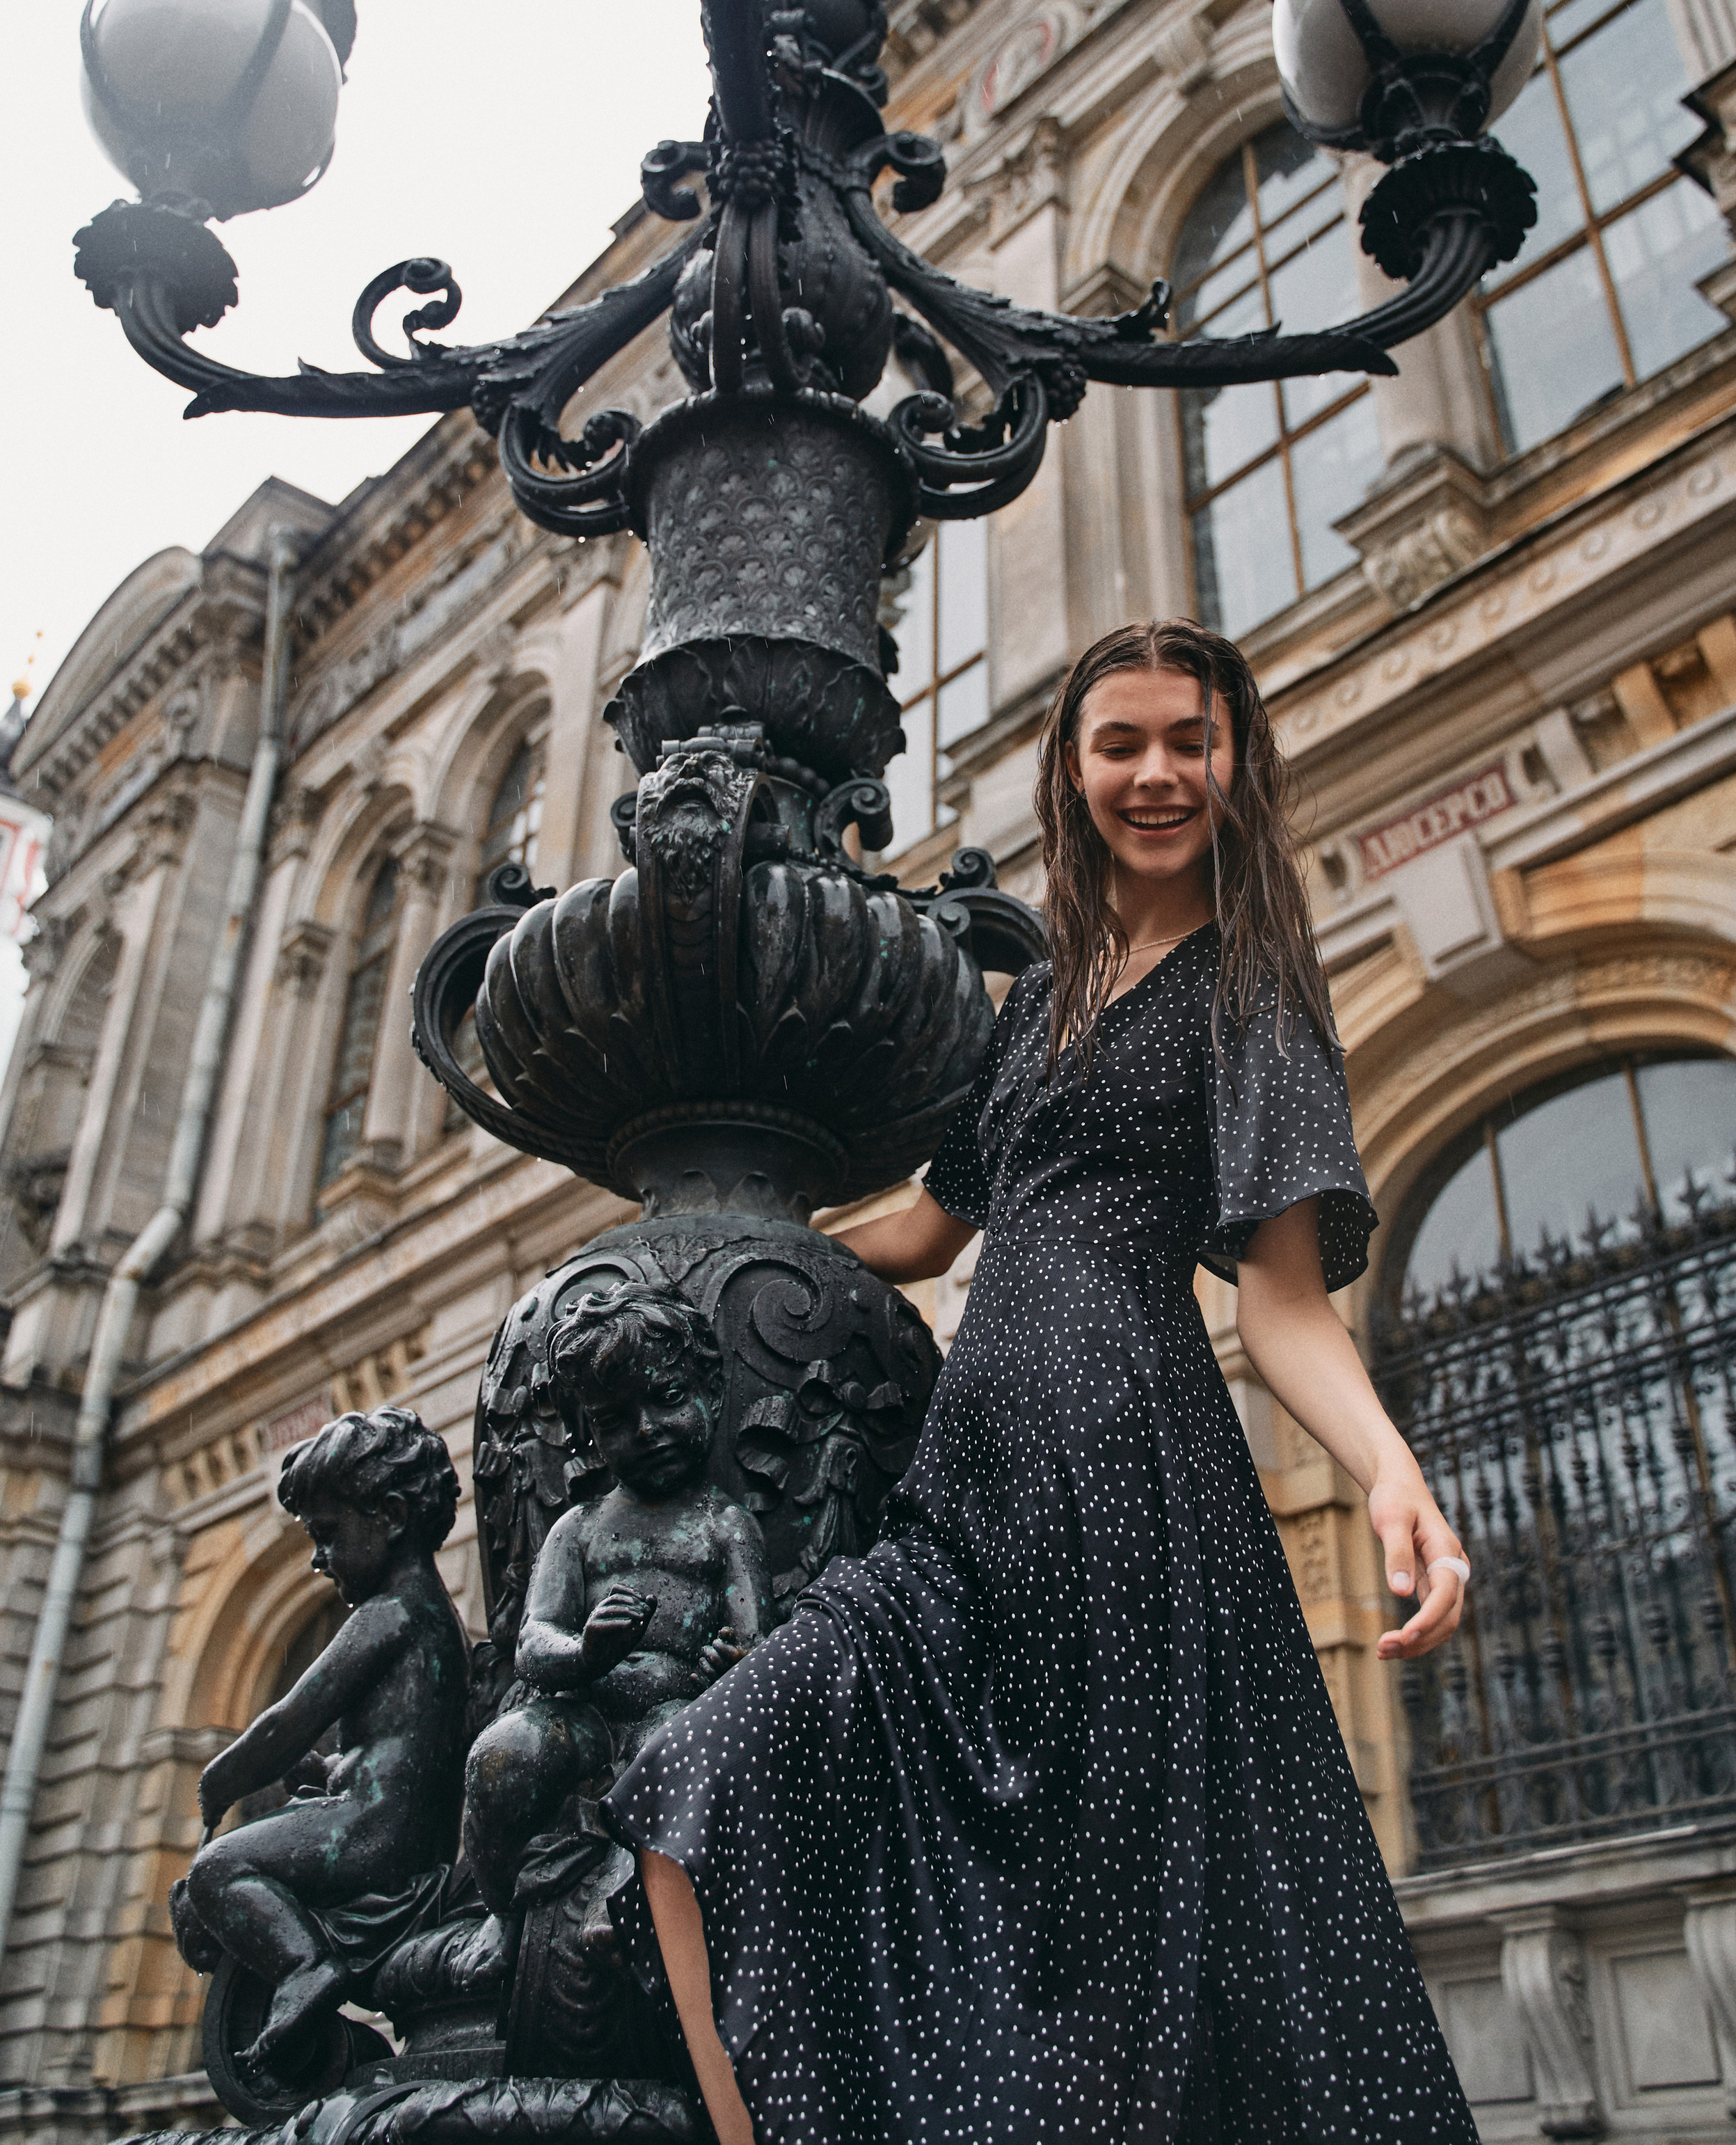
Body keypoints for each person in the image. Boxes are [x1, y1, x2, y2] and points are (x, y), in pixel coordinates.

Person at [603, 619, 1479, 2144]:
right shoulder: (1047, 1001)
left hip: (1127, 1491)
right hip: (966, 1498)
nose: (1153, 774)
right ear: (1070, 774)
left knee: (1117, 1969)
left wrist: (1387, 1468)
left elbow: (1279, 1303)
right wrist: (740, 1237)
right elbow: (924, 1228)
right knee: (699, 1781)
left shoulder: (1249, 990)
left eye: (1184, 743)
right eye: (1117, 744)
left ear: (1232, 764)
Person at [176, 1405, 469, 2071]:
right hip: (389, 1823)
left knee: (218, 1869)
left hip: (377, 1831)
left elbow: (286, 1720)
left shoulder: (389, 1613)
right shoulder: (428, 1611)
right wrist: (329, 1770)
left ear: (391, 1517)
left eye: (328, 1534)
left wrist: (224, 1777)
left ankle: (306, 1967)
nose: (317, 1559)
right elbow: (402, 1745)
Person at [464, 1285, 771, 1916]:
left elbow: (758, 1643)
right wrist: (585, 1651)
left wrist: (731, 1664)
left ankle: (621, 1903)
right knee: (499, 1758)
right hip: (586, 1717)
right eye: (613, 1420)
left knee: (672, 1755)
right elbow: (533, 1641)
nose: (647, 1430)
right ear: (586, 1433)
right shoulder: (577, 1529)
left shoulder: (726, 1527)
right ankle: (499, 1914)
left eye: (667, 1399)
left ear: (710, 1395)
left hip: (676, 1709)